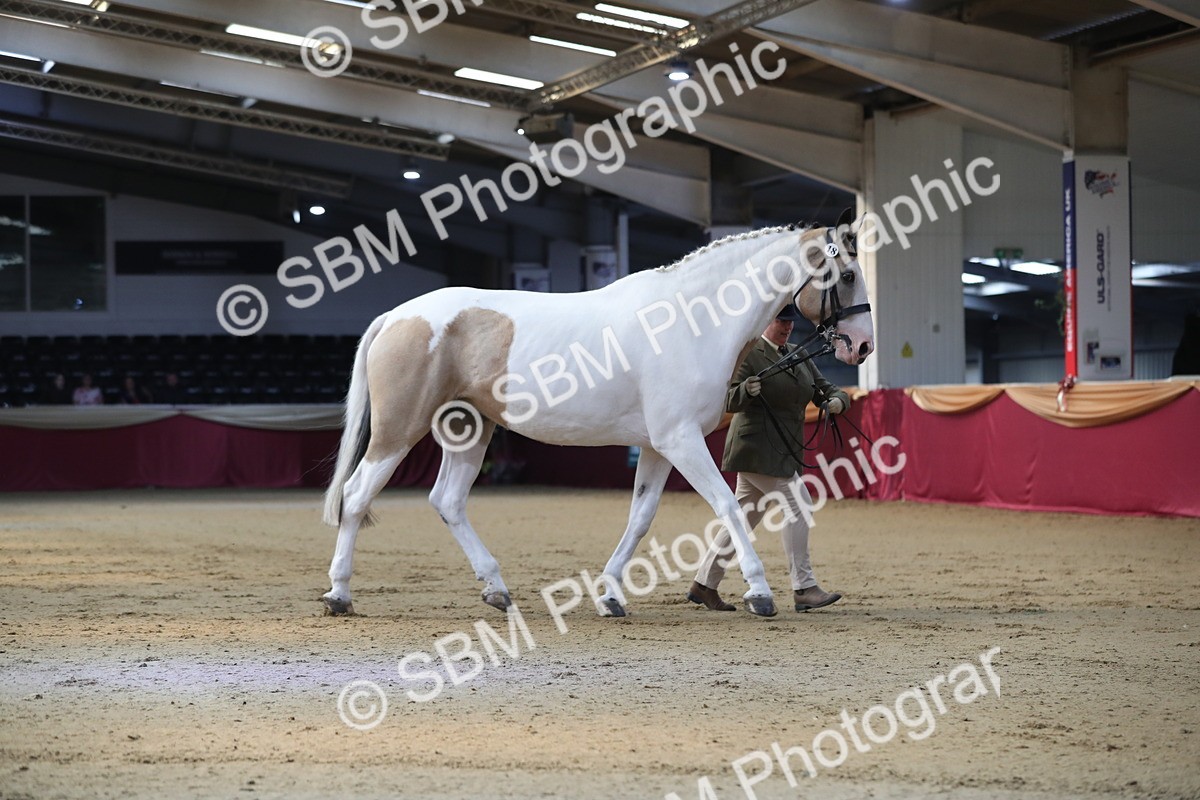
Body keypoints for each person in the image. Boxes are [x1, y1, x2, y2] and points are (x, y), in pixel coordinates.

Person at [687, 304, 850, 614]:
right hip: (756, 449)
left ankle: (704, 584)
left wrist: (838, 401)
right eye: (781, 322)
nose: (787, 327)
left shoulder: (798, 354)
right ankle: (804, 587)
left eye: (789, 323)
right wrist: (746, 390)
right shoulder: (747, 352)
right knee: (798, 504)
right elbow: (725, 398)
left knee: (744, 517)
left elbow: (824, 389)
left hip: (784, 448)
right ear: (766, 322)